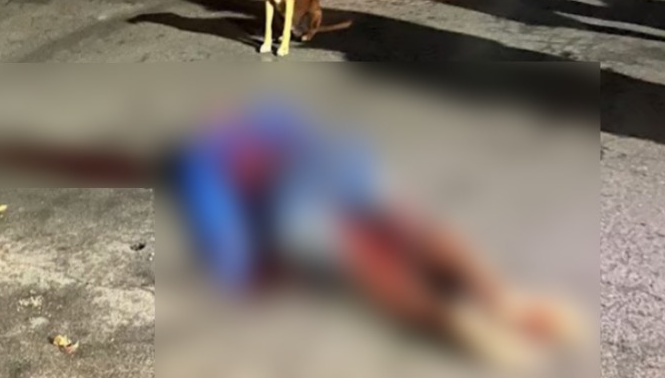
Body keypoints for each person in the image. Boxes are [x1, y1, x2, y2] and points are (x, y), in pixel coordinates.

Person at [174, 99, 585, 369]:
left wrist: (242, 271)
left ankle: (482, 310)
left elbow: (226, 234)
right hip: (308, 203)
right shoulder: (212, 158)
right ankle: (476, 311)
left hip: (318, 195)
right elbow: (226, 229)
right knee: (385, 246)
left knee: (390, 243)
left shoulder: (237, 141)